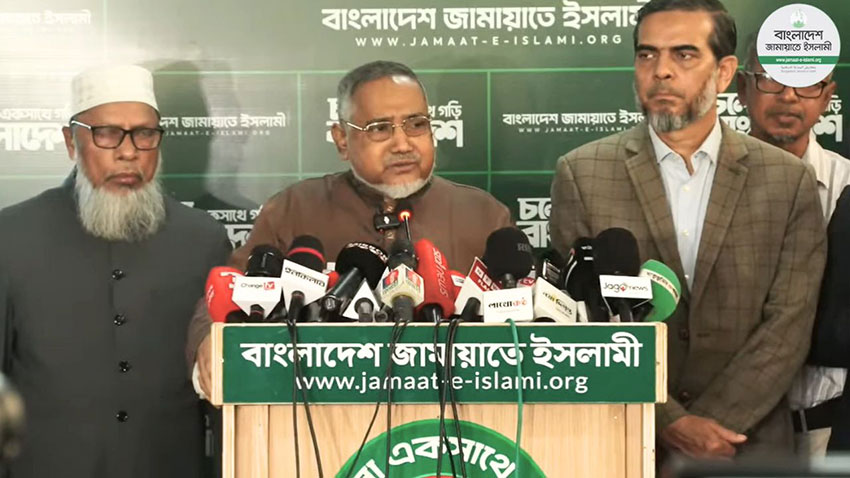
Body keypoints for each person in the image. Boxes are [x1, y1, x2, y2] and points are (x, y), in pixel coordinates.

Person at [549, 0, 826, 460]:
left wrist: (716, 425)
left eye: (684, 54)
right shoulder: (582, 173)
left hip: (746, 444)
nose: (661, 71)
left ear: (724, 72)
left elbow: (789, 324)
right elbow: (580, 322)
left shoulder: (787, 180)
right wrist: (670, 423)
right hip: (625, 440)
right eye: (647, 54)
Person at [188, 60, 512, 400]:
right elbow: (226, 296)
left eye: (416, 124)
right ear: (342, 140)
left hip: (456, 416)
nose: (403, 144)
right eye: (380, 128)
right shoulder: (293, 210)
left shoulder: (483, 215)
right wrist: (209, 340)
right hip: (320, 414)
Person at [0, 64, 231, 477]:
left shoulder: (202, 239)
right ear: (71, 141)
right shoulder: (11, 236)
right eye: (107, 134)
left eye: (145, 134)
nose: (128, 152)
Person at [737, 37, 850, 457]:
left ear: (828, 96)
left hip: (833, 435)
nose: (788, 95)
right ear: (742, 87)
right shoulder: (699, 188)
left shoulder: (847, 185)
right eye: (772, 78)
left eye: (806, 81)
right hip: (728, 438)